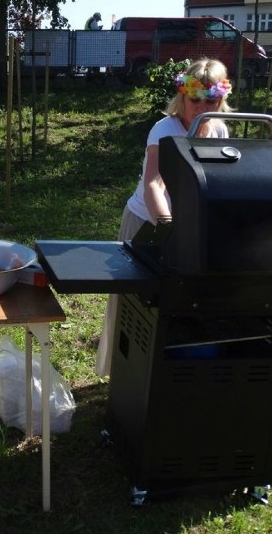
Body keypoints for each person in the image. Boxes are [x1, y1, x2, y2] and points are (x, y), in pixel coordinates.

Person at [95, 58, 233, 377]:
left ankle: (164, 369)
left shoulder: (220, 130)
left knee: (177, 300)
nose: (201, 108)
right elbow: (153, 183)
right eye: (194, 100)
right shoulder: (165, 129)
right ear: (182, 97)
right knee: (131, 301)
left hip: (190, 228)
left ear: (220, 99)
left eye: (209, 101)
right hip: (147, 221)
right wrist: (167, 224)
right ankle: (119, 370)